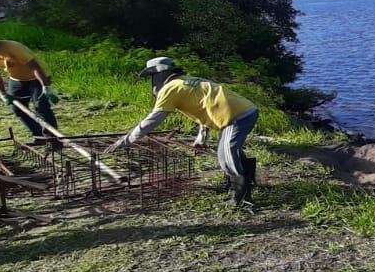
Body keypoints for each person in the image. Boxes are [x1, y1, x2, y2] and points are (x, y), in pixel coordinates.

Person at [106, 57, 260, 206]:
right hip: (244, 110)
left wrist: (126, 140)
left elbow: (153, 120)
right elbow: (205, 109)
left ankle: (241, 199)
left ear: (159, 75)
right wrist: (201, 138)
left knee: (226, 155)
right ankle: (237, 185)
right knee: (231, 150)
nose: (152, 82)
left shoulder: (170, 88)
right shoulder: (188, 81)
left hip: (236, 116)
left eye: (152, 76)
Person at [0, 27, 61, 144]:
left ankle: (53, 141)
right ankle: (39, 136)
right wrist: (2, 93)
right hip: (17, 79)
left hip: (37, 77)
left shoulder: (13, 47)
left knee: (41, 108)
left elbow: (35, 67)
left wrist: (46, 87)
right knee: (17, 108)